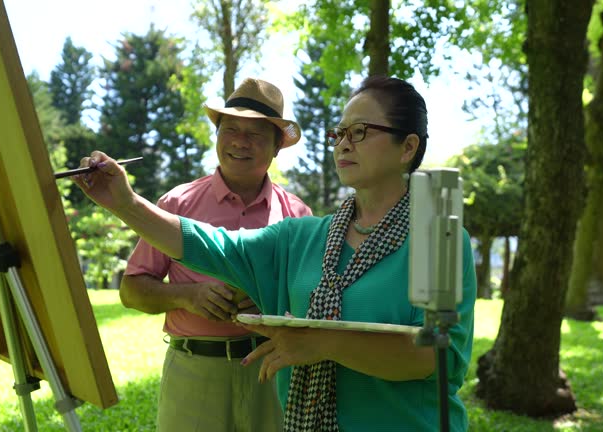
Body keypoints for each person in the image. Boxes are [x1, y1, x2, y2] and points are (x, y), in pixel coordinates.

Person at [73, 76, 476, 432]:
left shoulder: (437, 233)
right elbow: (211, 243)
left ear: (407, 146)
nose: (344, 144)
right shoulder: (303, 237)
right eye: (340, 133)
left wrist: (321, 343)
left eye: (361, 131)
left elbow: (434, 357)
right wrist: (124, 203)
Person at [119, 77, 312, 431]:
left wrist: (270, 299)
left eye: (255, 134)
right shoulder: (176, 205)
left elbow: (314, 304)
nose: (240, 141)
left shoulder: (298, 216)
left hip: (272, 372)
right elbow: (131, 290)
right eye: (231, 129)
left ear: (276, 147)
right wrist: (187, 296)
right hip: (193, 371)